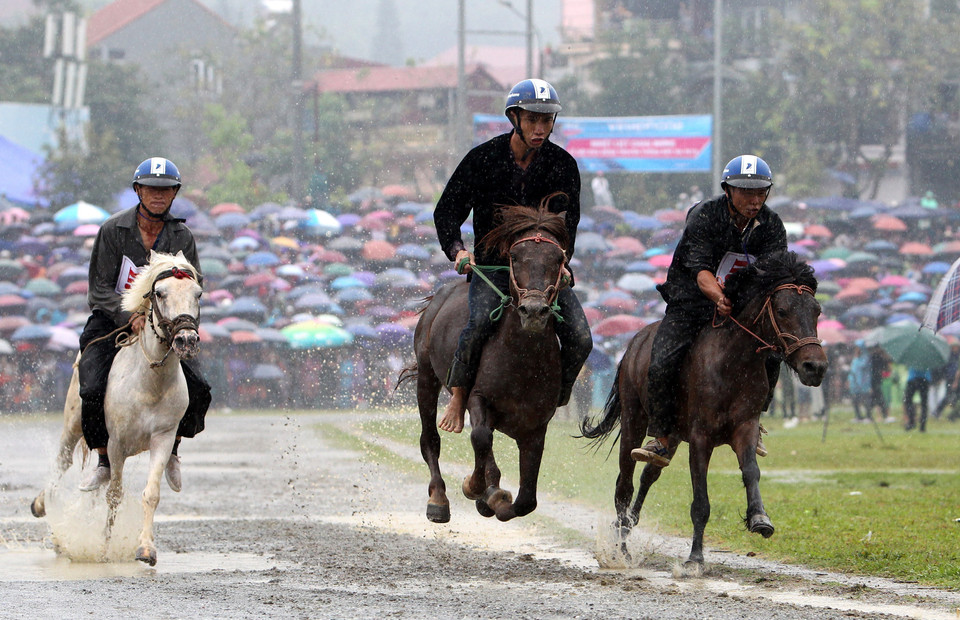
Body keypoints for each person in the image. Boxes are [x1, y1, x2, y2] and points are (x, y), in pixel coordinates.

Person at [433, 78, 593, 433]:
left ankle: (557, 393)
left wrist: (564, 262)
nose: (540, 128)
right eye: (533, 119)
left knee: (582, 337)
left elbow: (572, 223)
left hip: (543, 274)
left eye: (547, 120)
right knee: (476, 326)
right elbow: (446, 211)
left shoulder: (563, 165)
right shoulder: (482, 159)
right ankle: (459, 396)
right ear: (514, 118)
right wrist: (457, 250)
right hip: (492, 268)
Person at [633, 155, 787, 467]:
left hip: (740, 308)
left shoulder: (772, 226)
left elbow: (774, 273)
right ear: (727, 190)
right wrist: (718, 297)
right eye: (746, 192)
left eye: (760, 193)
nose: (754, 200)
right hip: (690, 301)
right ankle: (662, 437)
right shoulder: (704, 215)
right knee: (662, 360)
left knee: (773, 352)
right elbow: (701, 271)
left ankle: (754, 422)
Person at [77, 157, 211, 492]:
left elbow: (194, 285)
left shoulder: (183, 236)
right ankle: (104, 458)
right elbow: (99, 288)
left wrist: (178, 322)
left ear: (174, 194)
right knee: (91, 386)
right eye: (151, 188)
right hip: (113, 319)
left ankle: (173, 447)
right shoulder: (112, 230)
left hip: (165, 326)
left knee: (199, 387)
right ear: (138, 190)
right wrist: (129, 316)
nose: (158, 195)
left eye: (165, 190)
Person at [848, 343, 872, 422]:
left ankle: (868, 416)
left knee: (865, 400)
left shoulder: (865, 358)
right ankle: (858, 416)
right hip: (854, 383)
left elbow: (864, 368)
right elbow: (852, 370)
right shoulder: (855, 359)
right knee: (855, 400)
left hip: (863, 383)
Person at [903, 366, 932, 432]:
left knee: (908, 400)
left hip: (913, 378)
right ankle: (922, 425)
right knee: (924, 403)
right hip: (925, 378)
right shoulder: (929, 356)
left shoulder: (911, 356)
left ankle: (911, 421)